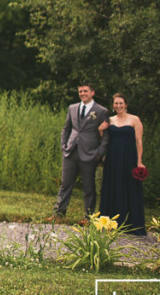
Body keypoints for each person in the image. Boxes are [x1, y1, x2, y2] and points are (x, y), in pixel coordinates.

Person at [54, 82, 109, 220]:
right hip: (71, 151)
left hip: (90, 153)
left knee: (89, 187)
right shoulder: (72, 108)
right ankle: (59, 214)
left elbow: (106, 135)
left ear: (92, 92)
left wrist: (99, 153)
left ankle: (88, 217)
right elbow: (66, 128)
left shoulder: (101, 111)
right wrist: (64, 146)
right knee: (65, 184)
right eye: (80, 92)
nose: (82, 94)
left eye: (85, 91)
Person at [98, 93, 146, 235]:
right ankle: (110, 222)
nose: (118, 106)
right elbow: (104, 139)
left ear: (126, 104)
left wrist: (139, 161)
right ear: (112, 105)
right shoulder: (110, 120)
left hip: (129, 157)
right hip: (113, 157)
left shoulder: (135, 119)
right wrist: (100, 130)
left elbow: (139, 141)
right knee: (113, 185)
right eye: (116, 103)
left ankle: (131, 223)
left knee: (129, 186)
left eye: (121, 103)